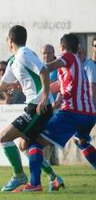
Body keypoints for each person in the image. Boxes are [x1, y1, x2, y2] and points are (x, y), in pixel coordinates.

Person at [0, 25, 54, 192]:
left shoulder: (24, 53)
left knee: (5, 137)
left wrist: (44, 97)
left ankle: (19, 176)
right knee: (25, 145)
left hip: (38, 107)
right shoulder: (14, 60)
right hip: (34, 106)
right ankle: (51, 178)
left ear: (10, 40)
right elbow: (1, 86)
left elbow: (44, 71)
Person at [39, 34, 96, 181]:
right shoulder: (77, 64)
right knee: (80, 141)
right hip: (89, 114)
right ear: (78, 47)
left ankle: (35, 183)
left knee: (35, 142)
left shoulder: (68, 57)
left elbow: (48, 67)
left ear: (62, 47)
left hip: (73, 113)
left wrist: (29, 71)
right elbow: (58, 86)